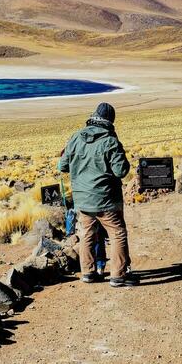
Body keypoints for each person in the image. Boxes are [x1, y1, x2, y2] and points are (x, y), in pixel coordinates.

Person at [59, 101, 133, 287]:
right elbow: (121, 171)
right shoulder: (110, 141)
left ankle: (88, 272)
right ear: (110, 120)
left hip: (82, 200)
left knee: (87, 235)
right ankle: (118, 275)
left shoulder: (76, 138)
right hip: (106, 199)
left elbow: (63, 166)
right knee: (117, 234)